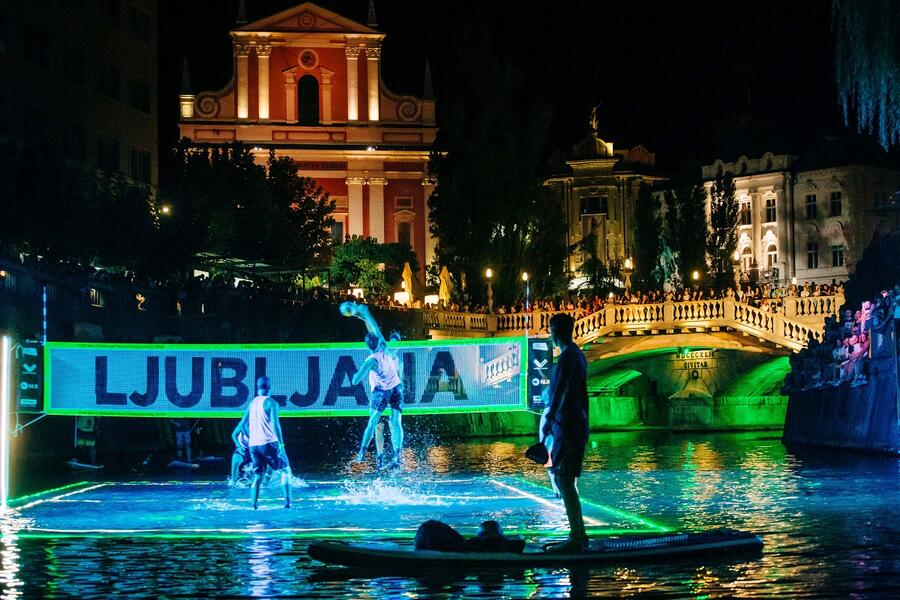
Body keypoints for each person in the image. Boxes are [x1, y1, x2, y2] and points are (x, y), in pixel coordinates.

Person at [541, 313, 589, 553]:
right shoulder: (578, 355)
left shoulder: (567, 357)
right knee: (564, 478)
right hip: (576, 424)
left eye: (550, 330)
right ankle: (578, 534)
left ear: (555, 332)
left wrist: (549, 420)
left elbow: (560, 391)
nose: (550, 335)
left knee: (564, 479)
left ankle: (577, 537)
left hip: (567, 426)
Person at [349, 304, 404, 468]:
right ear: (380, 341)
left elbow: (355, 381)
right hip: (396, 388)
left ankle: (362, 453)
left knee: (375, 423)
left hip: (383, 391)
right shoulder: (386, 348)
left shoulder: (371, 361)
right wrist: (365, 315)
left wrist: (354, 375)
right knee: (392, 423)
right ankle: (394, 456)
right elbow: (373, 328)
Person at [234, 376, 291, 509]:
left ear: (257, 387)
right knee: (285, 471)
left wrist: (252, 437)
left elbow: (243, 425)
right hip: (269, 443)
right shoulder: (271, 403)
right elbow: (276, 425)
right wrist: (281, 444)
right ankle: (288, 503)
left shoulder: (252, 403)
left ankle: (254, 504)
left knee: (258, 476)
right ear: (270, 387)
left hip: (254, 445)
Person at [229, 420, 252, 486]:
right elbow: (234, 434)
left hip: (255, 448)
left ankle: (265, 481)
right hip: (242, 447)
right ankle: (234, 482)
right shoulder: (245, 422)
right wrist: (238, 446)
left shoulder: (262, 424)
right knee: (235, 463)